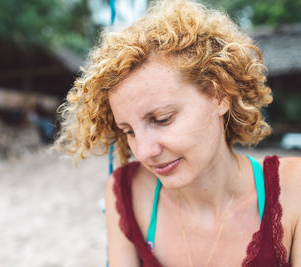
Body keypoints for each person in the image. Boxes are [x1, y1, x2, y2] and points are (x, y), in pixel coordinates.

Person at [54, 0, 301, 266]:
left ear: (220, 95)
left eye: (162, 119)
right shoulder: (125, 192)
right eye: (129, 131)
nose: (145, 152)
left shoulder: (292, 190)